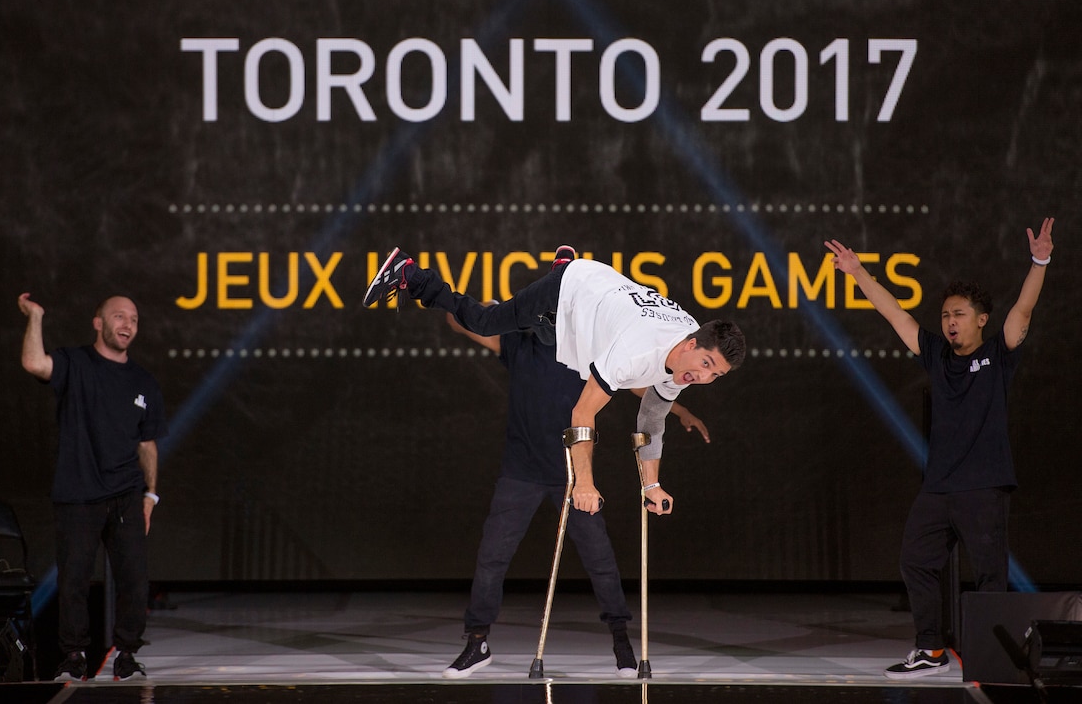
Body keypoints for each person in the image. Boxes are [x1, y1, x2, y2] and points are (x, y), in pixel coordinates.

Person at [824, 217, 1056, 679]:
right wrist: (858, 274)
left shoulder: (998, 354)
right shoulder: (935, 354)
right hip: (939, 487)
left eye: (960, 315)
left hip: (984, 486)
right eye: (946, 315)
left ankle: (992, 658)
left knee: (989, 577)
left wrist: (1040, 261)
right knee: (915, 560)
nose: (950, 322)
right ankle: (930, 650)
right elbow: (895, 314)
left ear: (981, 320)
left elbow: (1024, 312)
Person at [363, 246, 746, 519]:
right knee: (482, 322)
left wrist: (651, 486)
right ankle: (411, 274)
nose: (704, 377)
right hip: (573, 289)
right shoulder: (635, 351)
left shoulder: (684, 361)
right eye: (707, 364)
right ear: (692, 343)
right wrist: (583, 483)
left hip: (589, 318)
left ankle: (561, 266)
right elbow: (582, 412)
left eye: (716, 375)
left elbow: (650, 422)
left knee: (554, 340)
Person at [441, 308, 712, 678]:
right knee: (492, 558)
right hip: (521, 473)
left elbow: (640, 386)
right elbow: (458, 321)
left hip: (573, 473)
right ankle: (477, 641)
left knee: (600, 560)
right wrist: (488, 310)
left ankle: (621, 641)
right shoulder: (517, 343)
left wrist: (679, 410)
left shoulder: (590, 351)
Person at [18, 293, 168, 682]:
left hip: (126, 496)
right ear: (98, 322)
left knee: (134, 580)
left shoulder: (143, 382)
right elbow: (34, 362)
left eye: (134, 319)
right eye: (119, 316)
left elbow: (147, 443)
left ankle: (126, 655)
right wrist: (35, 317)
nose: (128, 324)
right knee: (74, 581)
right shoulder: (75, 363)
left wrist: (150, 494)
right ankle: (74, 657)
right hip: (78, 495)